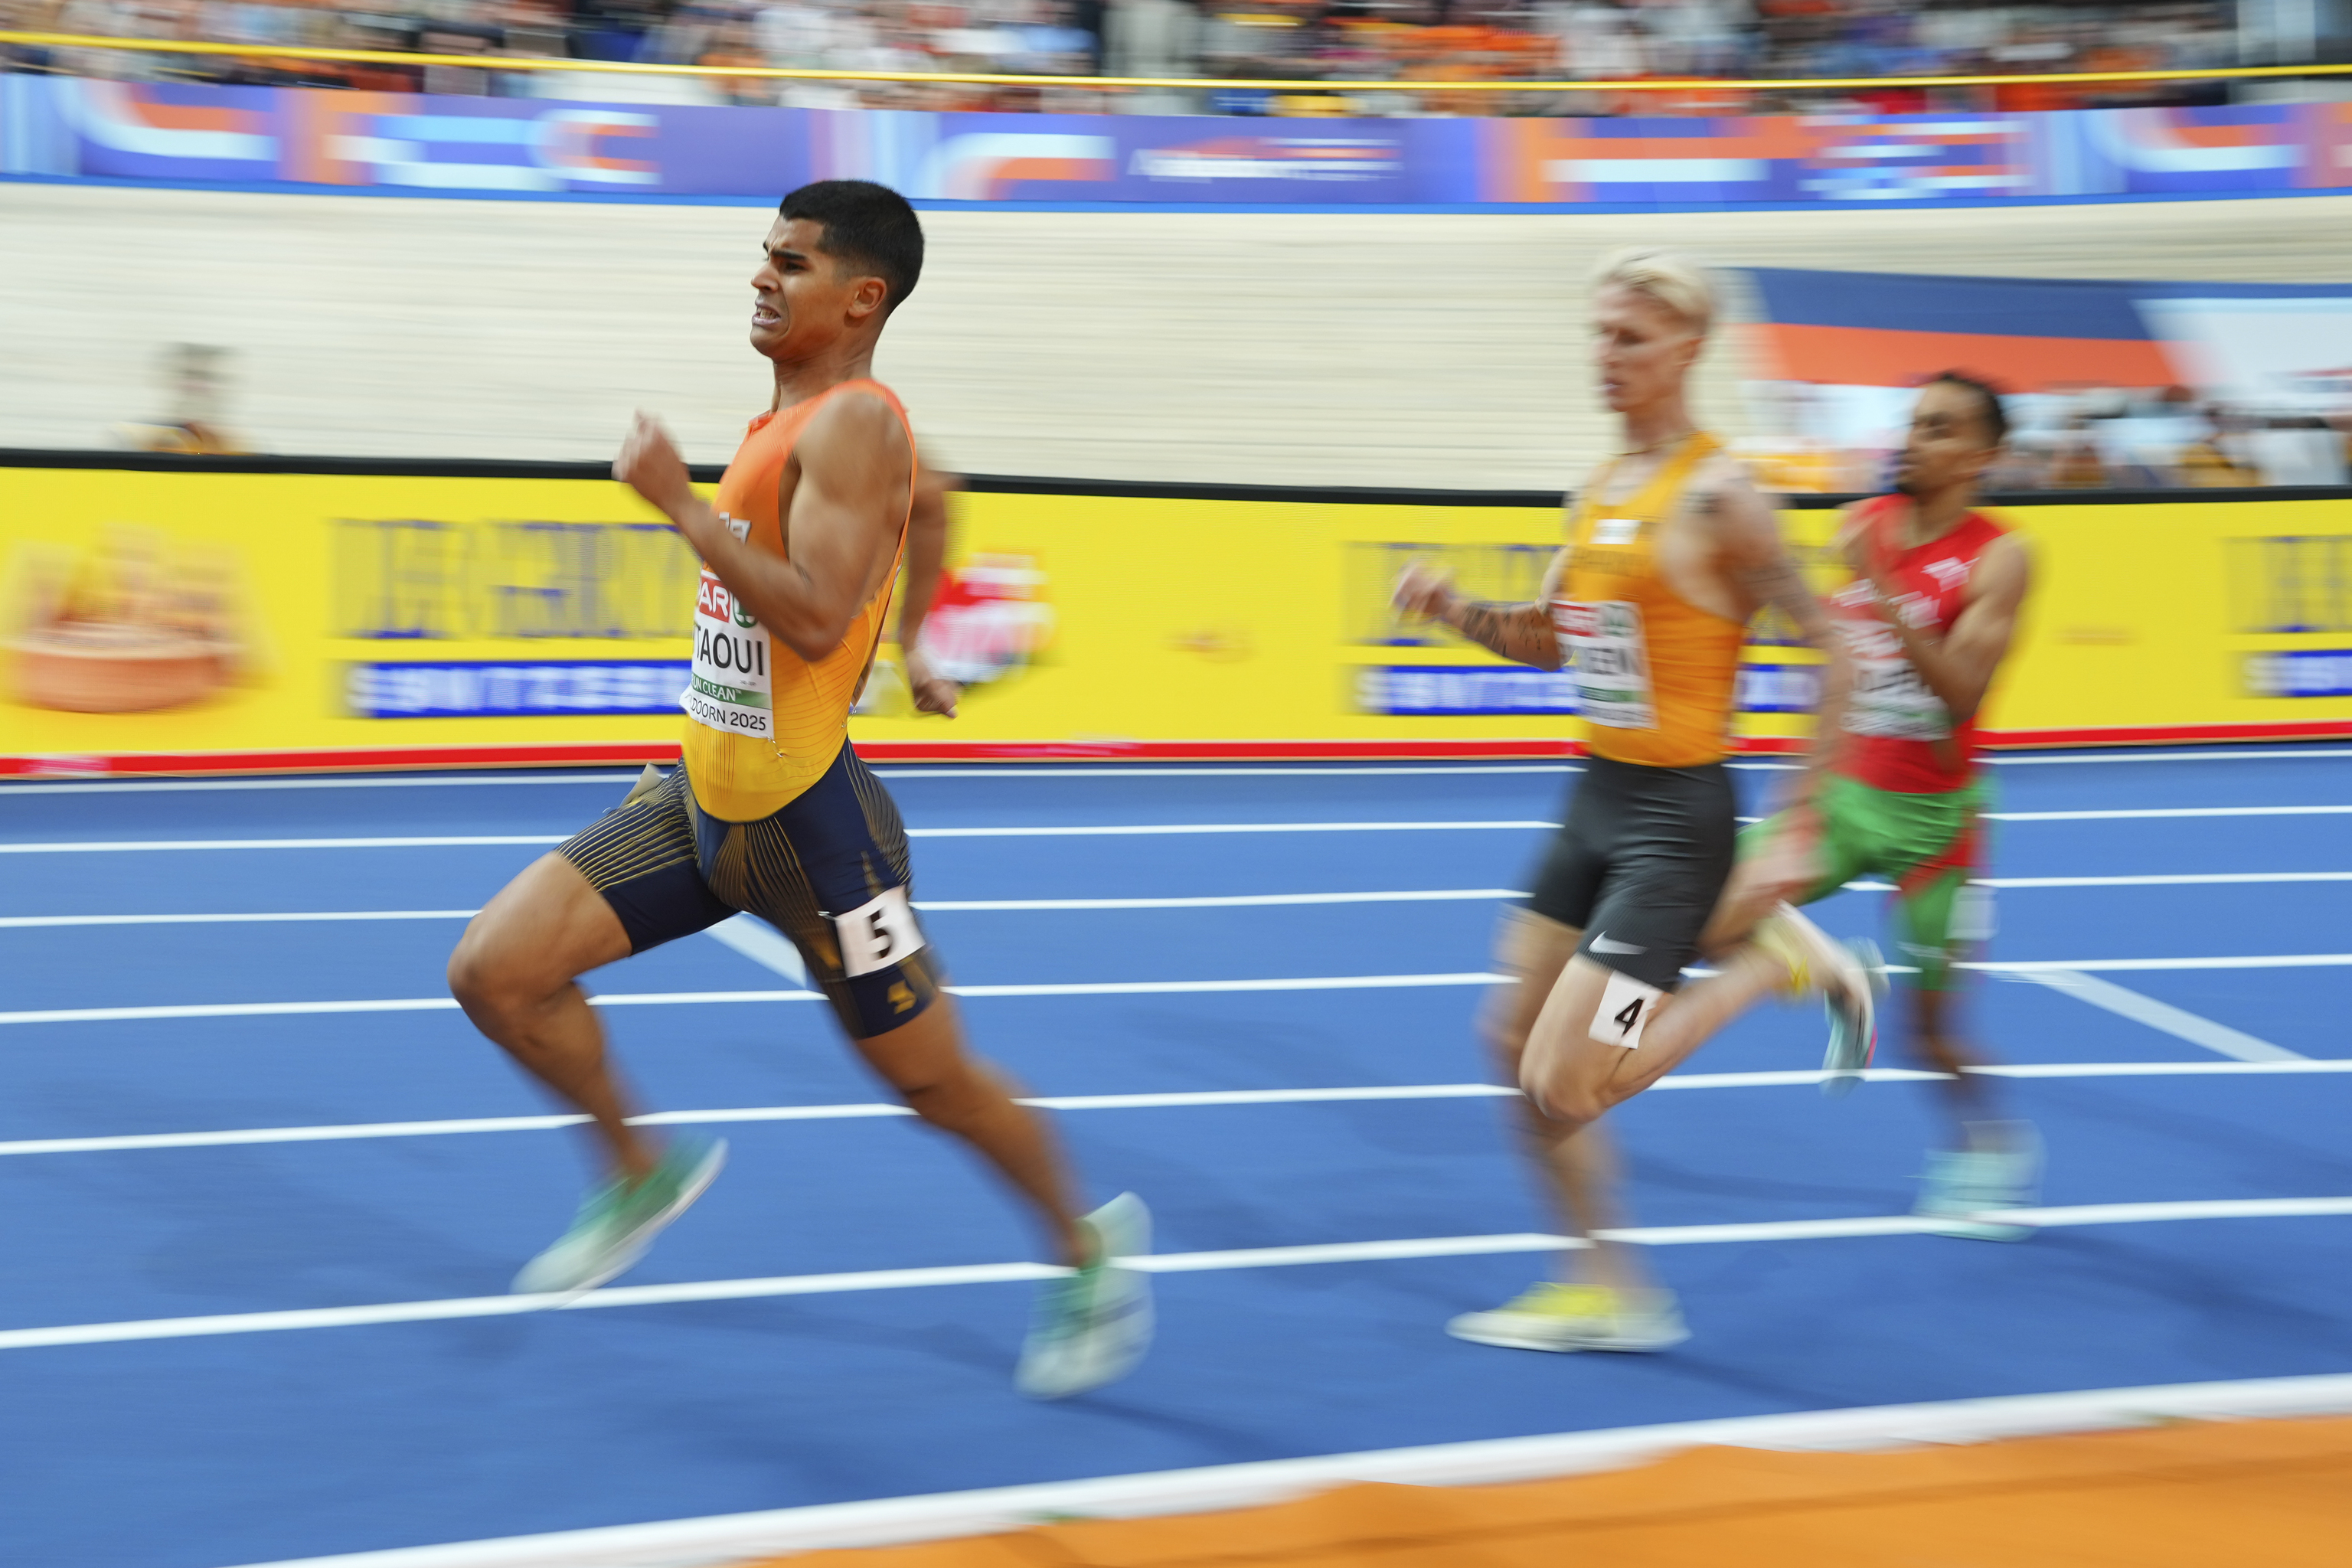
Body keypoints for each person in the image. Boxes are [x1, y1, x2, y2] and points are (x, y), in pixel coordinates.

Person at [446, 180, 1149, 1400]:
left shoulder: (856, 424)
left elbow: (819, 617)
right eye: (762, 256)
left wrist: (675, 505)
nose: (762, 277)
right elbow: (934, 502)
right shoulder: (806, 416)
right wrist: (922, 638)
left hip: (816, 839)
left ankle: (1089, 1249)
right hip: (698, 804)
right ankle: (636, 1174)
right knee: (496, 973)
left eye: (792, 263)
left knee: (932, 1082)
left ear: (861, 297)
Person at [1393, 247, 1871, 1354]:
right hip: (1595, 800)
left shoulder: (1724, 497)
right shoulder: (1603, 488)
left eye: (1631, 340)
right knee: (1507, 1036)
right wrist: (1456, 608)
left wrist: (1798, 828)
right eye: (1599, 336)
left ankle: (1771, 964)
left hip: (1677, 823)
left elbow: (1836, 652)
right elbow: (1550, 641)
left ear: (1689, 351)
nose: (1606, 358)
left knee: (1569, 1078)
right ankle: (1609, 1288)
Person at [1704, 372, 2037, 1240]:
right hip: (1846, 797)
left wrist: (1883, 583)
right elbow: (1836, 664)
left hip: (1936, 827)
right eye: (1912, 422)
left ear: (1982, 455)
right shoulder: (1864, 527)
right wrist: (1800, 786)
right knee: (1710, 916)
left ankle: (1993, 1144)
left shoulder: (2001, 555)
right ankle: (1834, 969)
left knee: (1936, 1034)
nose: (1913, 438)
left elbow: (1962, 693)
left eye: (1938, 428)